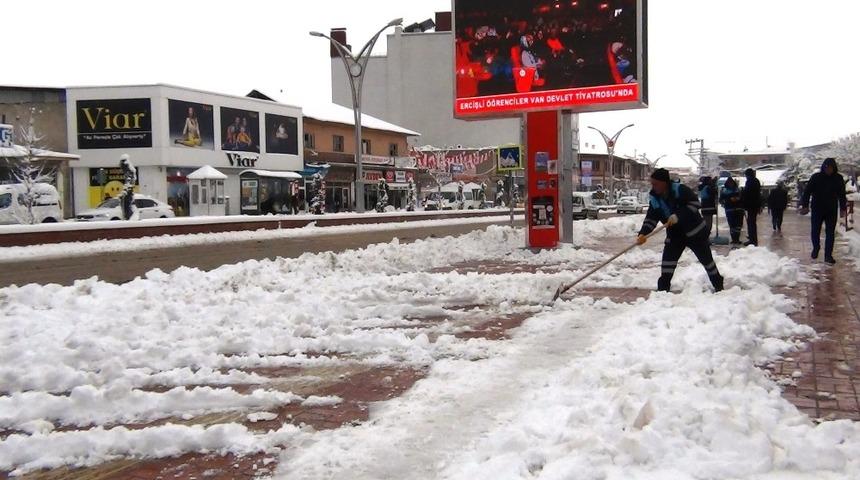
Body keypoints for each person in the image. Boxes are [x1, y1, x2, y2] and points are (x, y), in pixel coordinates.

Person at [637, 168, 724, 293]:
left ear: (664, 182)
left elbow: (695, 204)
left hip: (695, 233)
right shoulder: (655, 198)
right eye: (652, 183)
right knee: (667, 263)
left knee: (707, 261)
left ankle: (718, 285)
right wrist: (643, 233)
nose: (653, 186)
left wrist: (679, 215)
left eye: (655, 183)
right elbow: (651, 218)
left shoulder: (680, 190)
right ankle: (663, 290)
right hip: (675, 235)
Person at [800, 158, 848, 264]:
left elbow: (842, 195)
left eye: (831, 168)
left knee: (830, 233)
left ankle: (828, 256)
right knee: (815, 230)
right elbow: (807, 192)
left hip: (831, 209)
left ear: (834, 168)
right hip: (817, 208)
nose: (828, 170)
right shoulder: (816, 177)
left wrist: (843, 208)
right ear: (823, 167)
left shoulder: (838, 178)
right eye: (826, 167)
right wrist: (804, 205)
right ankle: (816, 248)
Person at [720, 176, 744, 245]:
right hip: (730, 209)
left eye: (731, 183)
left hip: (738, 209)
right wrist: (728, 201)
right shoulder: (724, 191)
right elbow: (721, 200)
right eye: (729, 183)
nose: (731, 184)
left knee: (738, 225)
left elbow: (742, 198)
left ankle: (737, 238)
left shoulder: (738, 190)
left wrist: (738, 199)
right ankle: (734, 239)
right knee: (732, 225)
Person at [741, 168, 762, 246]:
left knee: (751, 222)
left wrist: (743, 192)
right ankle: (752, 238)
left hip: (751, 205)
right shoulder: (756, 180)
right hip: (755, 205)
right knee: (751, 222)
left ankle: (753, 240)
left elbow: (748, 193)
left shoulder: (750, 181)